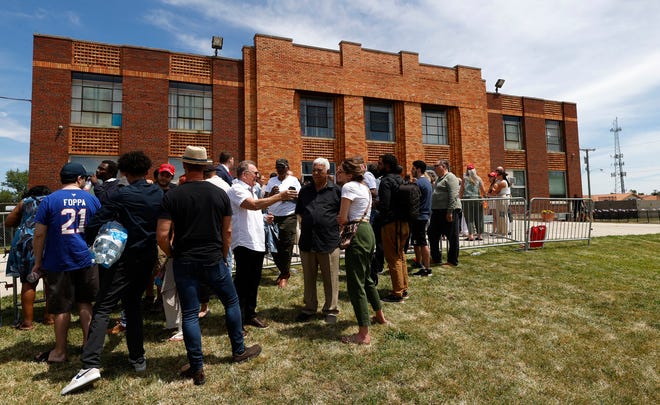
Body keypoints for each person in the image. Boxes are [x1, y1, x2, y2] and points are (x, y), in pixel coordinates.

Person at [61, 151, 163, 395]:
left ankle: (91, 364)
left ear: (125, 173)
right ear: (148, 171)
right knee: (133, 306)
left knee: (104, 307)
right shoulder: (159, 194)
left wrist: (90, 240)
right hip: (147, 258)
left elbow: (96, 221)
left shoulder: (122, 195)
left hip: (122, 259)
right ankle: (138, 358)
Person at [158, 147, 262, 386]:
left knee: (191, 314)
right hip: (213, 257)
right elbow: (227, 231)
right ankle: (238, 350)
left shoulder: (173, 195)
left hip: (185, 260)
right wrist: (224, 255)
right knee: (232, 302)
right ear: (205, 167)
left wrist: (173, 254)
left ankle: (196, 366)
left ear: (185, 166)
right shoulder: (220, 194)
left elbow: (162, 235)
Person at [31, 162, 101, 364]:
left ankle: (60, 351)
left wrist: (38, 261)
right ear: (79, 179)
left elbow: (39, 234)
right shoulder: (92, 199)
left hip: (57, 260)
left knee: (61, 308)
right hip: (86, 257)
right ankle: (89, 347)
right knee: (85, 303)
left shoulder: (49, 200)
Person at [227, 160, 298, 330]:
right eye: (255, 173)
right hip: (244, 243)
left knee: (253, 281)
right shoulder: (236, 189)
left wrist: (264, 218)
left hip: (256, 243)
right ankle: (238, 319)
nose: (258, 176)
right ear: (245, 175)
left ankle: (250, 314)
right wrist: (280, 196)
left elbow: (253, 212)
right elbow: (251, 205)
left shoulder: (250, 189)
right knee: (243, 282)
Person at [336, 158, 386, 345]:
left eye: (341, 171)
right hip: (367, 231)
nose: (338, 173)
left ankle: (363, 334)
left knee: (355, 283)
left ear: (349, 174)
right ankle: (379, 315)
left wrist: (335, 219)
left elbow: (343, 217)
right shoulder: (365, 187)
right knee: (366, 278)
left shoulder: (348, 188)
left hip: (356, 233)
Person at [294, 158, 341, 324]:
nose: (314, 173)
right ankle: (309, 307)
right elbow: (299, 212)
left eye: (319, 171)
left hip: (328, 241)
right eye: (313, 170)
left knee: (330, 278)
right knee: (309, 278)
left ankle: (331, 309)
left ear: (327, 172)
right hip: (307, 241)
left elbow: (342, 215)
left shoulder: (336, 191)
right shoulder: (305, 191)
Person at [5, 185, 52, 330]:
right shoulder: (51, 200)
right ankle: (49, 317)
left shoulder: (25, 202)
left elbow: (8, 222)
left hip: (26, 242)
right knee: (51, 282)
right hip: (48, 242)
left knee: (28, 281)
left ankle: (27, 322)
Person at [263, 158, 302, 288]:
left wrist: (291, 196)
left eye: (282, 167)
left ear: (287, 167)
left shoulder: (293, 180)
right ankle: (283, 271)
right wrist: (273, 193)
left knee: (286, 244)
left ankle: (284, 275)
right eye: (278, 167)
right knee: (273, 245)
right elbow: (265, 199)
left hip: (288, 216)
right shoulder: (272, 181)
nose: (280, 169)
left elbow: (300, 199)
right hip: (273, 216)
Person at [377, 154, 409, 303]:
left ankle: (397, 293)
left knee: (392, 257)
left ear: (387, 166)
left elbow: (385, 205)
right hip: (403, 222)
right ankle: (403, 288)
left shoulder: (386, 181)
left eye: (380, 163)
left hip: (391, 223)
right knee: (400, 255)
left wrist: (375, 202)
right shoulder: (399, 178)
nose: (378, 166)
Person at [428, 159, 462, 267]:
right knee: (432, 234)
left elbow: (453, 195)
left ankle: (452, 261)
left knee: (452, 237)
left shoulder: (451, 177)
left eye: (436, 165)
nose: (434, 168)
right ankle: (436, 258)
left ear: (444, 166)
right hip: (437, 211)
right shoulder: (439, 179)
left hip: (448, 211)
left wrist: (450, 211)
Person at [410, 161, 433, 277]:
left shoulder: (419, 183)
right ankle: (420, 263)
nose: (411, 170)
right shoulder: (427, 182)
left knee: (422, 242)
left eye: (413, 168)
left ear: (418, 169)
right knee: (418, 241)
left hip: (420, 216)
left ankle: (427, 269)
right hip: (423, 216)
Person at [459, 164, 487, 241]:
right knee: (479, 217)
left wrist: (459, 199)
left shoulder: (464, 179)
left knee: (469, 218)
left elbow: (461, 190)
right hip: (477, 199)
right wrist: (485, 196)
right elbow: (483, 190)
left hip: (467, 200)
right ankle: (480, 235)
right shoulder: (479, 178)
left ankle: (471, 235)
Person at [489, 168, 511, 236]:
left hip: (503, 199)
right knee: (499, 216)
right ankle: (500, 231)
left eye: (497, 174)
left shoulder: (503, 182)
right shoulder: (499, 181)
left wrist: (492, 189)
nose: (496, 176)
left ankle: (504, 232)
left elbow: (496, 192)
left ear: (501, 175)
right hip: (500, 199)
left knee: (503, 215)